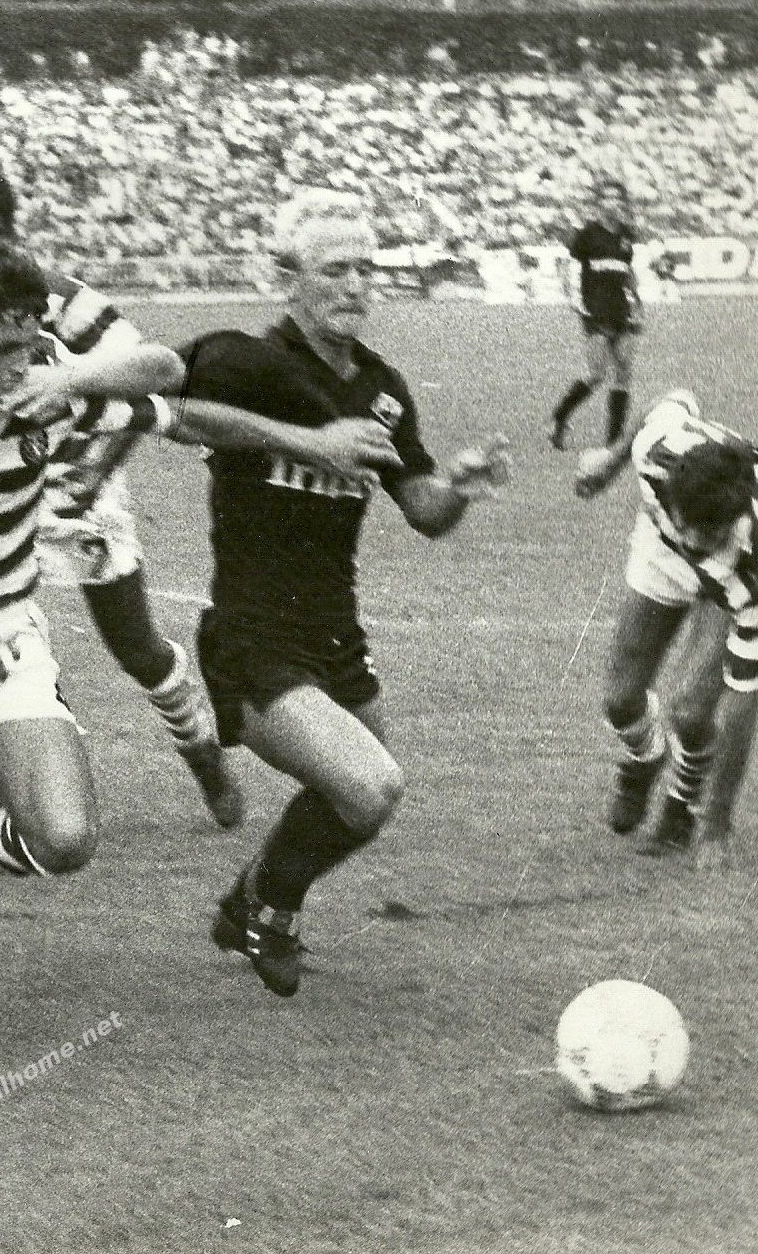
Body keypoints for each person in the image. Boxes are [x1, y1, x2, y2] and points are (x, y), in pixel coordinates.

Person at [0, 237, 399, 1061]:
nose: (21, 365)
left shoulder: (44, 390)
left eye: (30, 344)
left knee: (64, 841)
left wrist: (309, 442)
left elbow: (177, 407)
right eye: (0, 349)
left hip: (2, 627)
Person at [179, 188, 512, 998]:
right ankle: (271, 912)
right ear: (286, 277)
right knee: (369, 785)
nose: (358, 284)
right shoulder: (248, 362)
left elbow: (422, 508)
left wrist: (458, 486)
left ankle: (247, 901)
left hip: (334, 634)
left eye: (368, 268)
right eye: (335, 269)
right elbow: (172, 413)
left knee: (364, 795)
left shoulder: (381, 388)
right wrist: (309, 442)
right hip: (252, 633)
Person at [0, 167, 245, 828]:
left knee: (136, 646)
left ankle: (204, 756)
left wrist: (97, 462)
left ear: (15, 238)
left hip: (77, 494)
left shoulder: (62, 300)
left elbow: (150, 374)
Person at [574, 389, 758, 871]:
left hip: (733, 571)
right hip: (662, 547)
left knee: (692, 709)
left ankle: (683, 805)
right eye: (691, 530)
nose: (697, 544)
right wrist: (608, 464)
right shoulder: (659, 454)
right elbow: (674, 399)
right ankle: (646, 758)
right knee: (620, 697)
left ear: (732, 521)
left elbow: (743, 698)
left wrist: (718, 826)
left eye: (709, 536)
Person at [550, 179, 642, 450]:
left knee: (624, 371)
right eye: (607, 198)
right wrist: (574, 299)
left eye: (617, 198)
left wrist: (637, 301)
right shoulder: (588, 234)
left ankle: (614, 441)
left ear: (622, 203)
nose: (613, 203)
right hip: (596, 311)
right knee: (597, 374)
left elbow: (627, 271)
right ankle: (560, 416)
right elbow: (568, 267)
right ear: (599, 203)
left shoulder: (626, 234)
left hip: (621, 310)